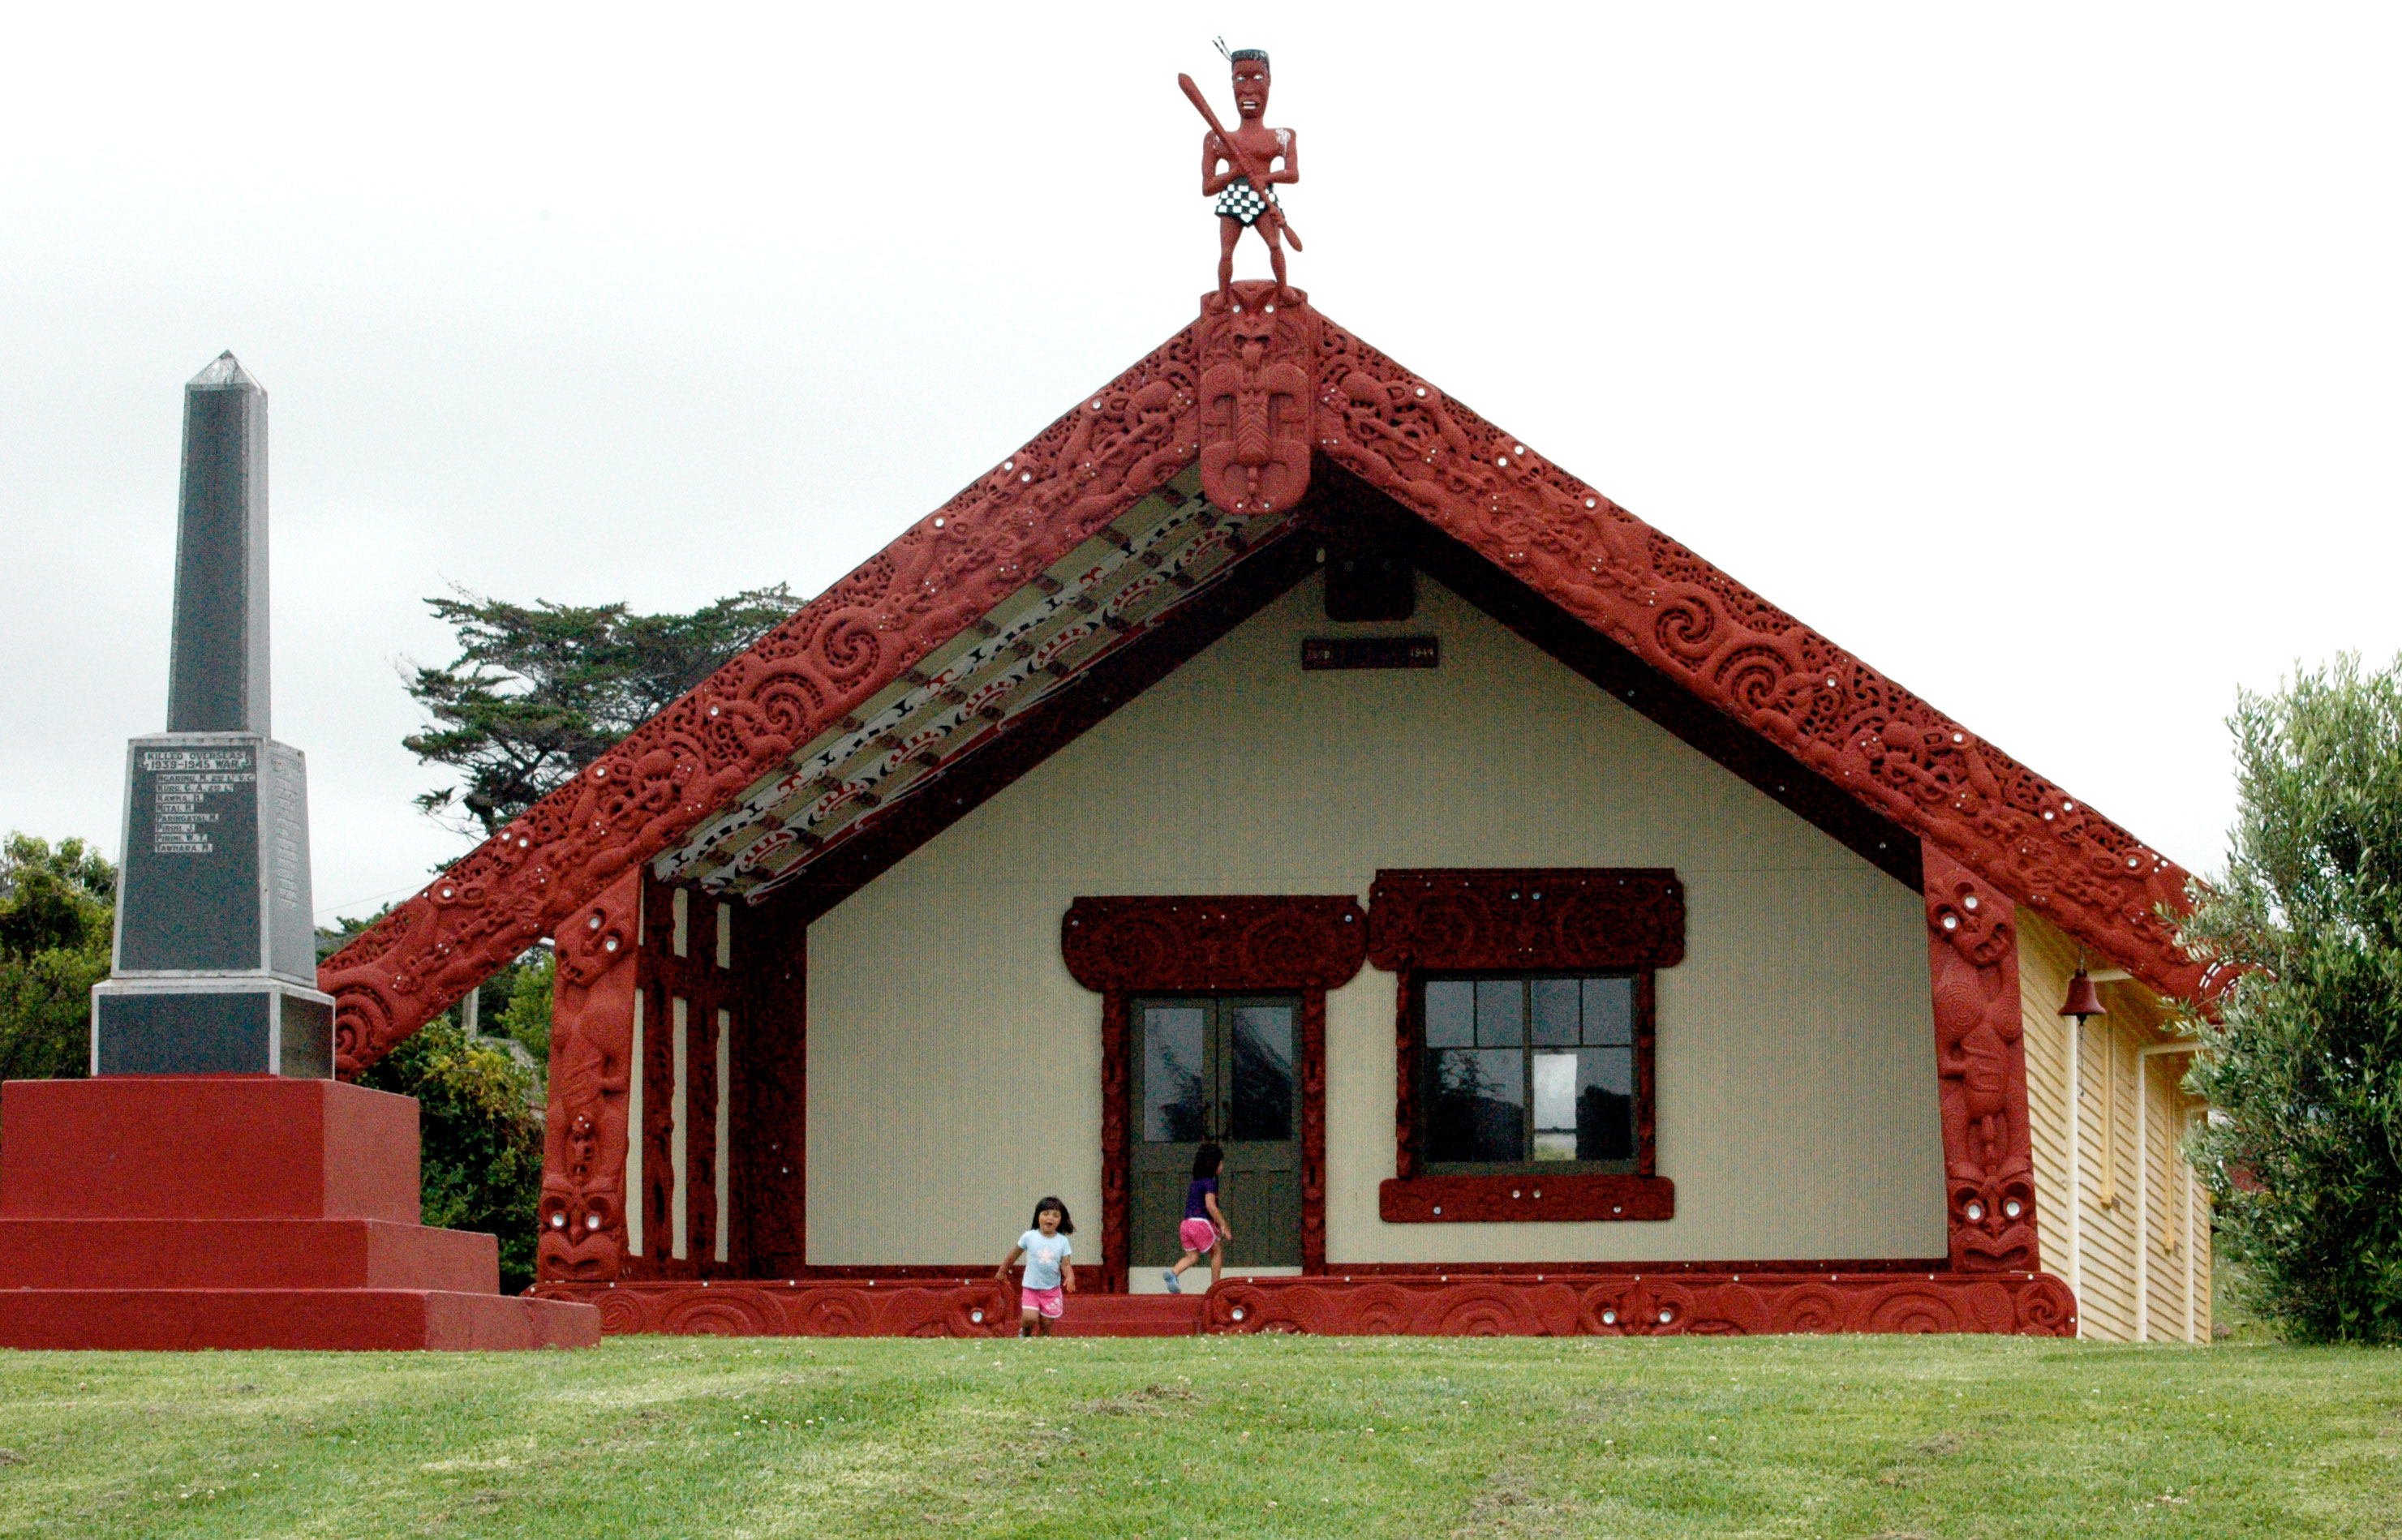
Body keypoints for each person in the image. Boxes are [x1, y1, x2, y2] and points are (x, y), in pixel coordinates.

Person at [1200, 47, 1299, 305]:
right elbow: (1208, 186)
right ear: (1231, 83)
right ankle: (1223, 294)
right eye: (1240, 79)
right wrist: (1234, 173)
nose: (1248, 89)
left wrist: (1266, 179)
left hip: (1263, 196)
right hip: (1233, 196)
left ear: (1269, 82)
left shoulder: (1282, 136)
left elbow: (1293, 173)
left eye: (1257, 78)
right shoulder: (1217, 140)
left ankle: (1284, 288)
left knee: (1275, 246)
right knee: (1226, 252)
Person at [997, 1196, 1075, 1337]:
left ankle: (1042, 1345)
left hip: (1051, 1290)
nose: (1050, 1218)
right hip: (1031, 1287)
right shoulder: (1029, 1237)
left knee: (1046, 1324)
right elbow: (1013, 1255)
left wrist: (1070, 1277)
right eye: (1045, 1214)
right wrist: (1002, 1272)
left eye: (1055, 1215)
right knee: (1029, 1318)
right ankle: (1025, 1334)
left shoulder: (1063, 1241)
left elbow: (1066, 1264)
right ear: (1037, 1217)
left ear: (1060, 1220)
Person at [1162, 1142, 1231, 1293]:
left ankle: (1174, 1273)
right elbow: (1210, 1206)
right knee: (1217, 1252)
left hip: (1186, 1224)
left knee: (1192, 1256)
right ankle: (1216, 1287)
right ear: (1213, 1164)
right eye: (1220, 1163)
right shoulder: (1210, 1183)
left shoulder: (1195, 1183)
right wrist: (1223, 1224)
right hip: (1200, 1223)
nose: (1222, 1166)